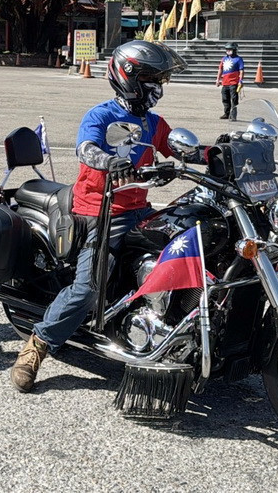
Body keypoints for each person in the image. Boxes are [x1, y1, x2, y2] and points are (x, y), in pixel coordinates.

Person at [10, 40, 187, 392]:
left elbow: (181, 148)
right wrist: (110, 161)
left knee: (183, 245)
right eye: (153, 78)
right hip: (101, 210)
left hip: (137, 210)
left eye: (161, 79)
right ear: (130, 77)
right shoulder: (102, 115)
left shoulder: (153, 123)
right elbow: (86, 149)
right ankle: (38, 345)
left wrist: (222, 150)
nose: (158, 86)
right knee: (90, 286)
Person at [216, 42, 244, 121]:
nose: (228, 51)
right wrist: (218, 79)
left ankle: (233, 115)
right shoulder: (224, 59)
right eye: (227, 49)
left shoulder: (238, 59)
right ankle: (226, 113)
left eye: (230, 49)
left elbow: (241, 71)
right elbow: (220, 69)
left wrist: (240, 81)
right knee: (225, 99)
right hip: (225, 83)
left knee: (234, 100)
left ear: (234, 50)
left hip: (234, 83)